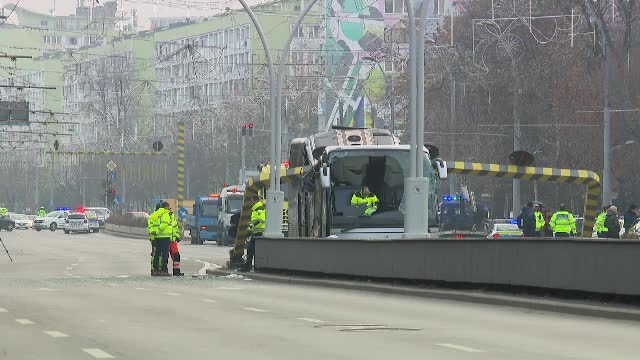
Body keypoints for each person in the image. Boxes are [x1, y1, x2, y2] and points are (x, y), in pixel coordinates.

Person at [149, 201, 175, 276]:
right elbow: (164, 224)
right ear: (165, 207)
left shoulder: (154, 214)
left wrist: (154, 233)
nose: (169, 208)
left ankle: (156, 270)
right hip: (165, 236)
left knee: (157, 254)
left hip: (157, 237)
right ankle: (164, 270)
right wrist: (158, 231)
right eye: (168, 206)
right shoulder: (165, 214)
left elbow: (151, 225)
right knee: (164, 254)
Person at [242, 198, 266, 272]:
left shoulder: (259, 209)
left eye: (251, 201)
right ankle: (250, 267)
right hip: (255, 233)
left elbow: (260, 221)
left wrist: (250, 228)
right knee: (251, 250)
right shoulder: (256, 209)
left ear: (254, 200)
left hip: (258, 233)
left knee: (252, 250)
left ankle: (251, 267)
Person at [169, 209, 184, 276]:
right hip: (166, 239)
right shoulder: (164, 216)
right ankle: (162, 270)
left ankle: (176, 271)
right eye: (168, 208)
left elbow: (175, 228)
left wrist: (177, 236)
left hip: (173, 240)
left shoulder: (172, 216)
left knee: (176, 256)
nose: (170, 209)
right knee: (164, 256)